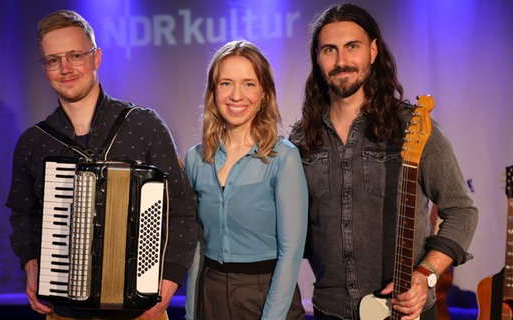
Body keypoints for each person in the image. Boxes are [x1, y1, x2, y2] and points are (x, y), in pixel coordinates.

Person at [289, 4, 478, 320]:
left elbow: (462, 210)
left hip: (405, 311)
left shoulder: (412, 127)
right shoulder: (301, 140)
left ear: (373, 51)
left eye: (353, 47)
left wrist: (425, 274)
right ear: (317, 58)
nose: (341, 61)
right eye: (329, 50)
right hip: (329, 311)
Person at [6, 10, 197, 320]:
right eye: (53, 60)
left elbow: (182, 208)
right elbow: (23, 213)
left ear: (96, 58)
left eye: (75, 55)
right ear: (44, 67)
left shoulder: (143, 125)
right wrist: (30, 264)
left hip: (140, 309)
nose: (65, 68)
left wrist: (169, 282)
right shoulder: (33, 143)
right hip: (64, 311)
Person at [184, 40, 308, 320]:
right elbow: (196, 248)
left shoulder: (283, 157)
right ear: (213, 92)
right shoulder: (195, 159)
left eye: (249, 84)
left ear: (264, 93)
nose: (236, 95)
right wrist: (191, 312)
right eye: (226, 83)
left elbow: (291, 253)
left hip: (266, 294)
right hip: (211, 292)